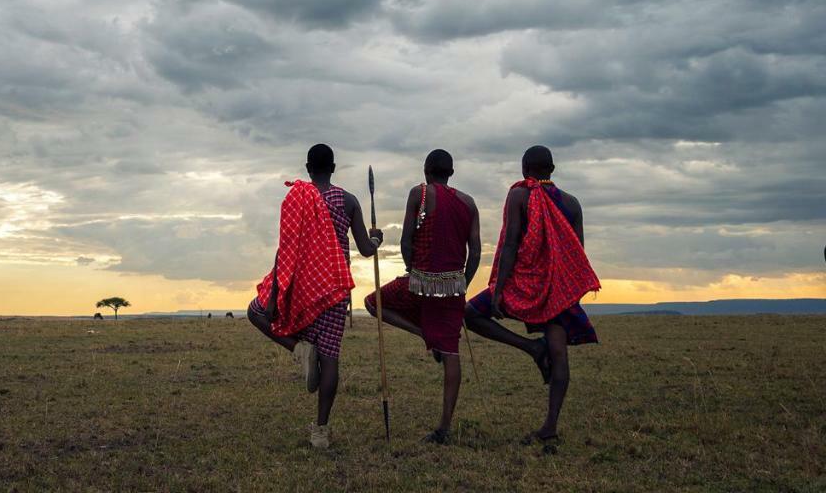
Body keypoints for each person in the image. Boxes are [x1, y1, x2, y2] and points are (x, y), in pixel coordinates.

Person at [464, 145, 601, 452]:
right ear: (552, 169)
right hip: (555, 288)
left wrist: (499, 289)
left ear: (525, 169)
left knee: (471, 314)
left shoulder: (519, 196)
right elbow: (575, 252)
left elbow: (511, 242)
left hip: (521, 283)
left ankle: (530, 348)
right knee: (559, 354)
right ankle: (550, 427)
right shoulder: (572, 203)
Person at [248, 143, 381, 449]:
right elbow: (364, 249)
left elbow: (286, 246)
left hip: (299, 284)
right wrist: (376, 239)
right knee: (331, 357)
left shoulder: (297, 196)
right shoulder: (348, 200)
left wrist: (275, 293)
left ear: (308, 169)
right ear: (333, 168)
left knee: (255, 312)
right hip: (333, 287)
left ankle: (299, 349)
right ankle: (320, 430)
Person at [364, 149, 480, 444]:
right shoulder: (469, 203)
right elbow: (476, 251)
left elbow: (406, 240)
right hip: (454, 287)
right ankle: (444, 427)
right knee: (452, 352)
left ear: (425, 171)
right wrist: (463, 281)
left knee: (371, 302)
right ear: (451, 173)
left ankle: (424, 335)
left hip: (420, 283)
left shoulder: (420, 193)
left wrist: (411, 269)